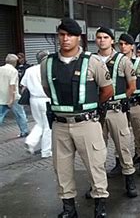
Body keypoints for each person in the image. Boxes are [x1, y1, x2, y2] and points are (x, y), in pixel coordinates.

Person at [40, 18, 112, 217]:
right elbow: (48, 90)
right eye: (61, 35)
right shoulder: (47, 63)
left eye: (70, 35)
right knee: (61, 168)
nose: (65, 39)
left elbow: (107, 90)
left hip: (86, 123)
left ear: (78, 38)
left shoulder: (93, 62)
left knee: (95, 164)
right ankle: (68, 208)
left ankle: (100, 206)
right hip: (60, 125)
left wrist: (90, 106)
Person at [95, 26, 138, 198]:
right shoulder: (90, 60)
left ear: (111, 40)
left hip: (115, 110)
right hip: (97, 113)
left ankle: (129, 180)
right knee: (97, 150)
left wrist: (119, 100)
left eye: (106, 37)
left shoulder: (123, 60)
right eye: (99, 37)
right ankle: (97, 186)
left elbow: (132, 86)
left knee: (123, 147)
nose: (102, 40)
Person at [118, 33, 140, 178]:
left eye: (126, 44)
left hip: (135, 103)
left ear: (131, 46)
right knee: (121, 135)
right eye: (120, 44)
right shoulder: (116, 62)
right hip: (121, 105)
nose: (123, 47)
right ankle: (120, 162)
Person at [21, 50, 52, 158]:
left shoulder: (30, 70)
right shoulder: (49, 69)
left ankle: (30, 142)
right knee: (48, 125)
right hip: (47, 99)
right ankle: (46, 151)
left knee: (39, 123)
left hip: (33, 99)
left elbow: (23, 86)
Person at [0, 54, 29, 137]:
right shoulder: (13, 71)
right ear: (15, 62)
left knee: (0, 115)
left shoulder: (0, 69)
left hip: (1, 96)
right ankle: (24, 131)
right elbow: (12, 86)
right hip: (13, 97)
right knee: (20, 115)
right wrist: (11, 99)